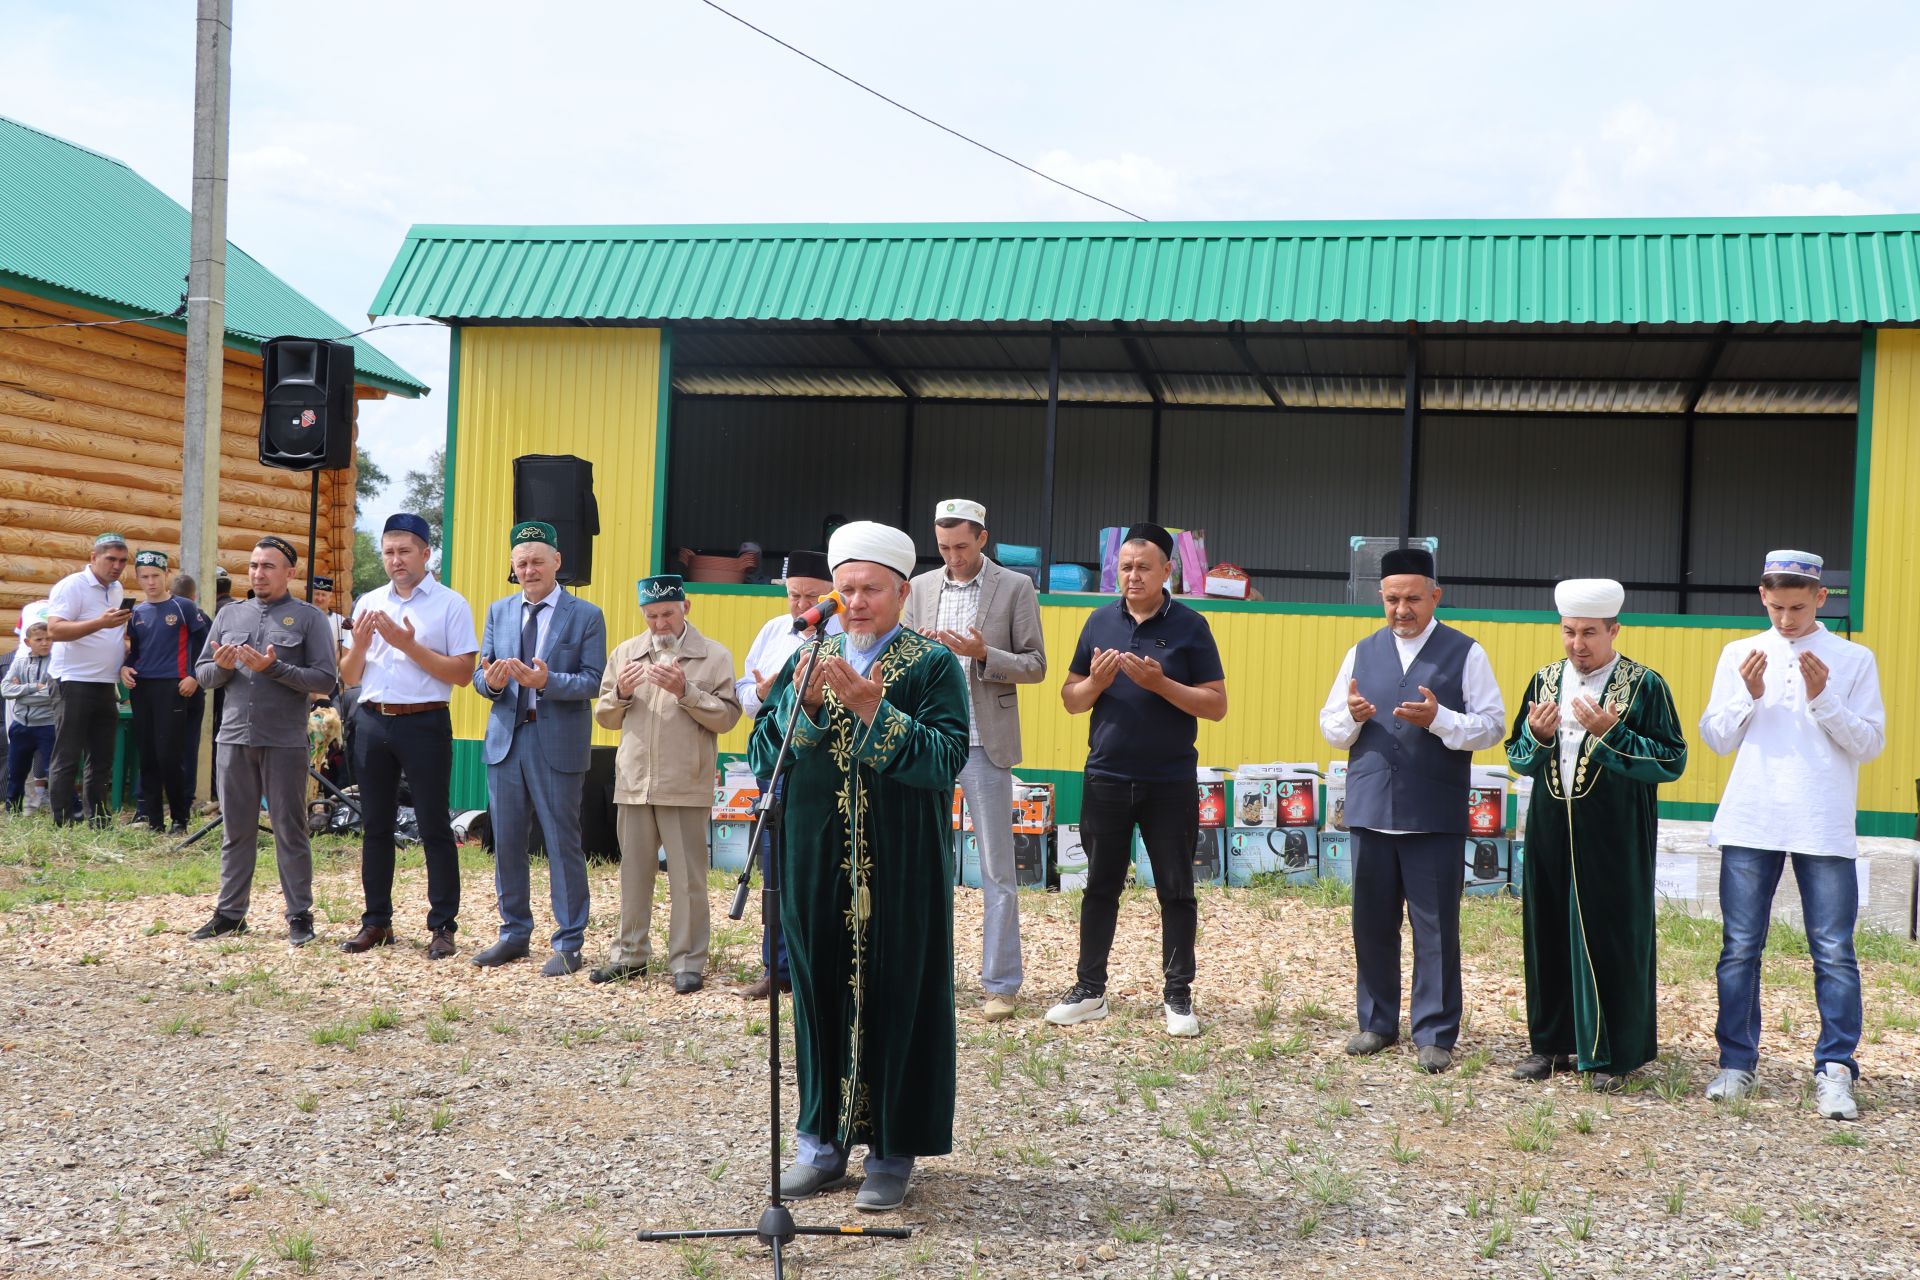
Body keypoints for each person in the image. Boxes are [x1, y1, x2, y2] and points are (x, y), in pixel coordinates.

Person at [751, 520, 967, 1214]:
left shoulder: (933, 667)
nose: (858, 600)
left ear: (903, 592)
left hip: (901, 869)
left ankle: (891, 1153)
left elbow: (944, 760)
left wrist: (876, 708)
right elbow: (762, 758)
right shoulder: (805, 659)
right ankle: (820, 1145)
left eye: (872, 588)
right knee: (817, 997)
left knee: (897, 996)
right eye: (846, 590)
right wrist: (806, 709)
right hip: (816, 863)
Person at [1698, 550, 1885, 1120]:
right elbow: (1716, 738)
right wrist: (1746, 697)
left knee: (1833, 951)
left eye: (1798, 608)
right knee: (1739, 948)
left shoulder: (1852, 659)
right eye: (1777, 607)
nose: (1787, 620)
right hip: (1752, 816)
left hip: (1823, 823)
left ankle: (1835, 1069)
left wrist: (1824, 697)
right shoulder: (1740, 655)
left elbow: (1870, 744)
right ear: (1761, 597)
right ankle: (1736, 1062)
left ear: (1821, 599)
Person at [1317, 546, 1505, 1074]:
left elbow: (1492, 724)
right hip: (1371, 808)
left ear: (1435, 596)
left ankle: (1435, 1032)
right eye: (1392, 599)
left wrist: (1442, 718)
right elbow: (1331, 726)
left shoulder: (1465, 653)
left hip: (1432, 811)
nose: (1402, 610)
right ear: (1381, 597)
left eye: (1413, 599)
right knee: (1371, 923)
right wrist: (1351, 717)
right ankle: (1376, 1023)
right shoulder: (1360, 652)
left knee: (1435, 927)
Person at [1504, 579, 1687, 1090]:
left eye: (1589, 633)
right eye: (1568, 632)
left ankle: (1611, 1053)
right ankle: (1550, 1046)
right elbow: (1517, 755)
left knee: (1609, 937)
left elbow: (1671, 760)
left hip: (1613, 835)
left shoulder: (1644, 685)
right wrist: (1537, 738)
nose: (1578, 644)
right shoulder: (1544, 681)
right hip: (1548, 827)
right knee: (1545, 933)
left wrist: (1612, 732)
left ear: (1614, 630)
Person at [1047, 523, 1226, 1038]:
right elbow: (1070, 699)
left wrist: (1160, 683)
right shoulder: (1099, 621)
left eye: (1143, 567)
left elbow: (1216, 705)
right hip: (1105, 775)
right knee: (1099, 886)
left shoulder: (1191, 626)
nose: (1132, 576)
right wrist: (1095, 682)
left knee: (1176, 889)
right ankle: (1090, 991)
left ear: (1167, 571)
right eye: (1125, 567)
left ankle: (1178, 995)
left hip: (1168, 780)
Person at [902, 499, 1047, 1022]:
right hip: (930, 738)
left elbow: (1036, 665)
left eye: (962, 546)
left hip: (986, 740)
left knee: (996, 869)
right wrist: (918, 650)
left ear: (983, 538)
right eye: (943, 548)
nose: (953, 557)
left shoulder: (1015, 587)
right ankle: (927, 976)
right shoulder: (919, 588)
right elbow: (901, 661)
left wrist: (986, 653)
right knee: (921, 864)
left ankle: (1000, 985)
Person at [337, 513, 479, 959]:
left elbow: (462, 673)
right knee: (374, 825)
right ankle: (376, 922)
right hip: (373, 721)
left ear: (425, 553)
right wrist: (359, 645)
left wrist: (407, 645)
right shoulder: (368, 601)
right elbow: (349, 675)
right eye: (388, 553)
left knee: (435, 826)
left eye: (404, 551)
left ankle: (442, 926)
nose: (395, 561)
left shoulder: (450, 604)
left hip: (424, 722)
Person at [591, 575, 741, 991]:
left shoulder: (714, 656)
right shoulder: (626, 654)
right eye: (652, 615)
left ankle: (688, 962)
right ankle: (629, 956)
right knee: (633, 873)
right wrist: (619, 691)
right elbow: (604, 716)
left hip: (685, 783)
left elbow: (727, 718)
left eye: (667, 614)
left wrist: (687, 692)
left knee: (688, 879)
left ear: (686, 609)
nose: (660, 624)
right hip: (634, 782)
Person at [470, 521, 607, 976]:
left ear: (557, 564)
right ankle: (513, 934)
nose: (529, 571)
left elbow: (593, 680)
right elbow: (479, 674)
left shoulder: (585, 615)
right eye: (521, 564)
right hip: (507, 742)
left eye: (536, 562)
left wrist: (546, 681)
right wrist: (489, 683)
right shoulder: (499, 611)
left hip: (556, 742)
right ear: (514, 567)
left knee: (561, 842)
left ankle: (569, 942)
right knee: (507, 841)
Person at [191, 537, 339, 945]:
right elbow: (202, 674)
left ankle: (299, 916)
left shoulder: (308, 618)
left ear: (289, 573)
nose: (259, 573)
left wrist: (276, 669)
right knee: (235, 830)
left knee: (290, 829)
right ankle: (230, 914)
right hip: (234, 737)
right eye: (254, 566)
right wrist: (220, 669)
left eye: (268, 566)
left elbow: (326, 680)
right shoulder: (229, 615)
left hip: (283, 740)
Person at [732, 550, 843, 1000]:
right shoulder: (774, 631)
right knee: (773, 863)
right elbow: (744, 698)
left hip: (821, 761)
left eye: (810, 596)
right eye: (793, 594)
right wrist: (761, 689)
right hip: (774, 762)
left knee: (821, 862)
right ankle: (775, 968)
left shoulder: (843, 635)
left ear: (831, 596)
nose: (800, 605)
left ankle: (820, 967)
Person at [44, 532, 132, 826]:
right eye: (111, 559)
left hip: (105, 684)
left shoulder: (117, 588)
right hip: (73, 681)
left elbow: (111, 632)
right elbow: (55, 631)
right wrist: (101, 623)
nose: (117, 566)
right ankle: (64, 821)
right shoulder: (72, 586)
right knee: (68, 755)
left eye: (122, 561)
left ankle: (99, 818)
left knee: (102, 756)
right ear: (93, 557)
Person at [119, 551, 211, 833]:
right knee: (147, 753)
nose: (150, 582)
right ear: (137, 579)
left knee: (169, 754)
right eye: (144, 577)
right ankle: (153, 819)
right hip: (142, 687)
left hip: (174, 686)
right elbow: (135, 653)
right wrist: (125, 669)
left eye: (155, 576)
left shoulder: (183, 607)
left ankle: (180, 818)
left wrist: (194, 677)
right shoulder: (136, 614)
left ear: (167, 575)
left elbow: (206, 644)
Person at [4, 620, 58, 812]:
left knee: (54, 770)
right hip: (21, 725)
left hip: (48, 725)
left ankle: (63, 810)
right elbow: (5, 689)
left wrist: (21, 694)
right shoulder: (19, 663)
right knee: (17, 770)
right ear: (28, 642)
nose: (45, 643)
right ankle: (12, 808)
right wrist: (33, 687)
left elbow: (53, 694)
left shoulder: (56, 663)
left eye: (49, 639)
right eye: (39, 639)